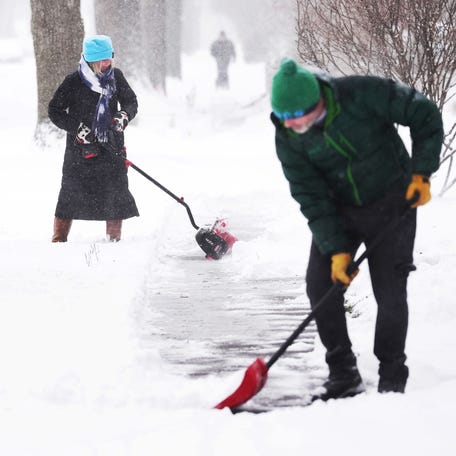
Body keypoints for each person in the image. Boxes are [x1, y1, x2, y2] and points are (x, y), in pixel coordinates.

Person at [270, 58, 443, 400]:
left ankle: (392, 374)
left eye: (298, 115)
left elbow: (423, 112)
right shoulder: (287, 135)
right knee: (320, 285)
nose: (294, 124)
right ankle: (342, 371)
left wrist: (421, 171)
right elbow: (309, 194)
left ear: (317, 100)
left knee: (390, 290)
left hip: (393, 200)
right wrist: (336, 249)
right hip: (339, 210)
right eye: (285, 118)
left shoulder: (360, 93)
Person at [48, 34, 139, 242]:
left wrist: (123, 116)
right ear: (91, 60)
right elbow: (55, 110)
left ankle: (114, 240)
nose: (107, 64)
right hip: (81, 150)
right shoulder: (73, 81)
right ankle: (58, 240)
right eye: (103, 60)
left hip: (111, 147)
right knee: (70, 196)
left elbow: (131, 102)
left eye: (109, 58)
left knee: (115, 194)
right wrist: (77, 129)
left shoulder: (116, 77)